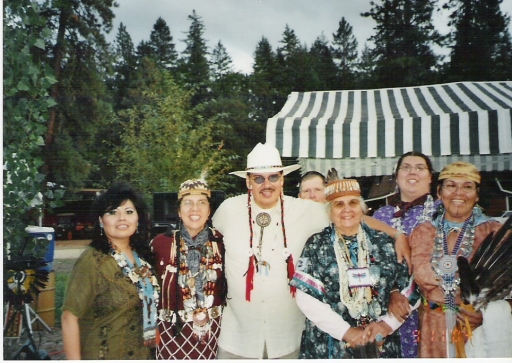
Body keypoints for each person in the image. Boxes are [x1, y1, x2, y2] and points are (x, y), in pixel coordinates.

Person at [212, 143, 408, 359]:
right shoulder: (228, 210)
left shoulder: (306, 210)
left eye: (273, 177)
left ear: (283, 179)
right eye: (259, 178)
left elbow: (351, 215)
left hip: (288, 338)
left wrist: (396, 234)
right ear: (248, 181)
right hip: (238, 339)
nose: (266, 184)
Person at [290, 176, 410, 359]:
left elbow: (409, 289)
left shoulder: (383, 243)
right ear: (329, 211)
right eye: (338, 205)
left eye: (353, 203)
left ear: (362, 208)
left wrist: (386, 325)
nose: (347, 210)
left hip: (380, 341)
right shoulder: (316, 244)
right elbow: (306, 297)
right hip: (331, 343)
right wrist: (347, 332)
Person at [409, 161, 511, 357]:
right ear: (439, 192)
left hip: (475, 329)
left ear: (477, 195)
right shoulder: (422, 232)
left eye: (467, 186)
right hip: (432, 328)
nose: (458, 193)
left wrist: (488, 316)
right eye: (451, 185)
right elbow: (409, 285)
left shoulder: (494, 232)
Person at [61, 182, 160, 360]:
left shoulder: (144, 258)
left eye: (129, 212)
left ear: (138, 218)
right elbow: (69, 317)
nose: (122, 218)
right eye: (113, 212)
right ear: (100, 220)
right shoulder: (92, 261)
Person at [372, 151, 440, 358]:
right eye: (406, 167)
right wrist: (392, 291)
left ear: (430, 177)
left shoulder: (444, 211)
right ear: (396, 175)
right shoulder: (381, 216)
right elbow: (371, 261)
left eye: (420, 167)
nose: (413, 172)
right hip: (392, 309)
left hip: (435, 307)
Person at [151, 178, 226, 359]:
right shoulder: (160, 243)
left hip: (213, 334)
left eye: (202, 202)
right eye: (188, 203)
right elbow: (147, 292)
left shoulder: (222, 242)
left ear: (209, 210)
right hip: (170, 335)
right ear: (178, 210)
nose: (195, 209)